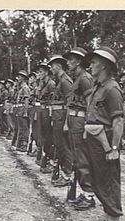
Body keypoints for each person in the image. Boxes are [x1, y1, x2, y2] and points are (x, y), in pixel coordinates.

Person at [85, 46, 124, 221]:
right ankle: (108, 216)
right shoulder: (97, 86)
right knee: (97, 178)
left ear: (104, 65)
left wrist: (114, 149)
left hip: (106, 140)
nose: (90, 65)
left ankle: (113, 219)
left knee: (109, 178)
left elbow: (118, 121)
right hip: (94, 138)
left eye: (93, 62)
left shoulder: (112, 89)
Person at [63, 47, 95, 210]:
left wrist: (87, 126)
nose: (68, 63)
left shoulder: (85, 78)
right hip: (73, 118)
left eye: (71, 60)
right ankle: (83, 192)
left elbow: (91, 103)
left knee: (82, 158)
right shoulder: (77, 78)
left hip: (81, 119)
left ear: (80, 61)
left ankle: (89, 195)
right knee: (76, 157)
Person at [47, 55, 73, 187]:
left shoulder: (65, 81)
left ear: (59, 66)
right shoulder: (60, 80)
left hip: (62, 117)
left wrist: (67, 123)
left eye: (52, 66)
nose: (51, 68)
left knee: (63, 146)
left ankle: (67, 174)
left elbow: (70, 102)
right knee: (59, 146)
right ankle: (64, 172)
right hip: (57, 116)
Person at [37, 62, 56, 173]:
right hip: (43, 110)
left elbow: (53, 100)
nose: (39, 74)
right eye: (39, 72)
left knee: (49, 137)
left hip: (48, 111)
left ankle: (48, 161)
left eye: (41, 72)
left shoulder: (51, 84)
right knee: (44, 136)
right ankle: (44, 160)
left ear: (47, 72)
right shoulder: (42, 84)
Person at [15, 70, 31, 152]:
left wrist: (25, 111)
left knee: (25, 128)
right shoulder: (20, 88)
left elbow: (26, 100)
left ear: (24, 78)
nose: (18, 78)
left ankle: (24, 145)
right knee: (21, 128)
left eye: (20, 77)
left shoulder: (25, 88)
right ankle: (21, 144)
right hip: (19, 109)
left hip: (23, 109)